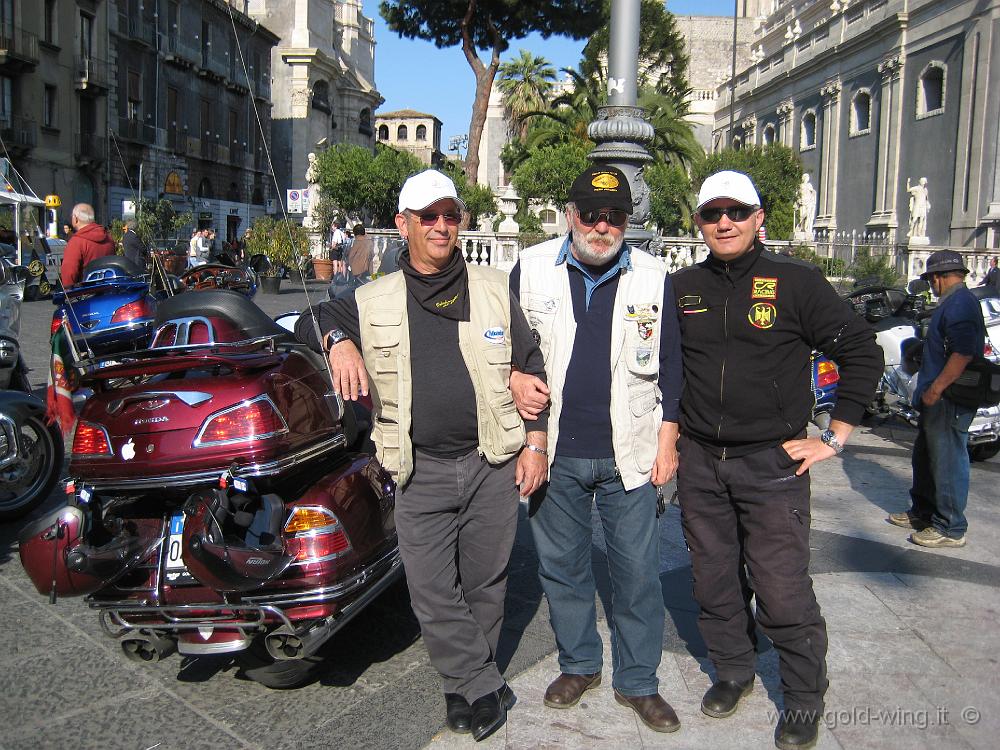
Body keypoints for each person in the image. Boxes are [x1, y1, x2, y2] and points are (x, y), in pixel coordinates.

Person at [294, 169, 548, 741]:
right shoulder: (371, 297)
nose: (441, 226)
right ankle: (484, 683)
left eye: (450, 215)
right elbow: (310, 320)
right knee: (431, 591)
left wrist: (536, 443)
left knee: (486, 583)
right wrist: (340, 343)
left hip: (491, 461)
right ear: (404, 225)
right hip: (418, 468)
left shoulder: (490, 287)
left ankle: (463, 690)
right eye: (428, 217)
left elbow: (532, 368)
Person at [671, 171, 882, 750]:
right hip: (701, 461)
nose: (724, 222)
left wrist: (834, 438)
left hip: (772, 464)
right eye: (712, 213)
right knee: (713, 581)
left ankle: (803, 696)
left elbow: (860, 351)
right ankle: (735, 669)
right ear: (699, 223)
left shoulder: (795, 282)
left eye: (737, 211)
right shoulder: (683, 286)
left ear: (759, 217)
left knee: (781, 588)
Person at [508, 164, 684, 733]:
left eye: (614, 216)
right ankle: (579, 663)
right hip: (553, 450)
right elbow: (506, 346)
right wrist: (514, 376)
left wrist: (668, 441)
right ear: (570, 215)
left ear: (628, 221)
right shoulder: (530, 268)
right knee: (562, 569)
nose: (602, 226)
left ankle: (638, 682)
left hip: (629, 451)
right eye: (591, 213)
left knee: (637, 575)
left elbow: (674, 369)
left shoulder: (656, 277)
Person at [887, 251, 984, 548]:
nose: (931, 285)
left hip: (949, 398)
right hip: (937, 397)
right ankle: (924, 511)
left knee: (948, 461)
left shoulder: (961, 305)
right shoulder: (953, 303)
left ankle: (950, 527)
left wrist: (936, 388)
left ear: (938, 278)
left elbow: (963, 353)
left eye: (931, 280)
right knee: (926, 456)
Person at [60, 203, 115, 288]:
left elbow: (69, 272)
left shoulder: (76, 242)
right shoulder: (108, 238)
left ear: (75, 219)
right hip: (106, 291)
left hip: (85, 293)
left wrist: (68, 294)